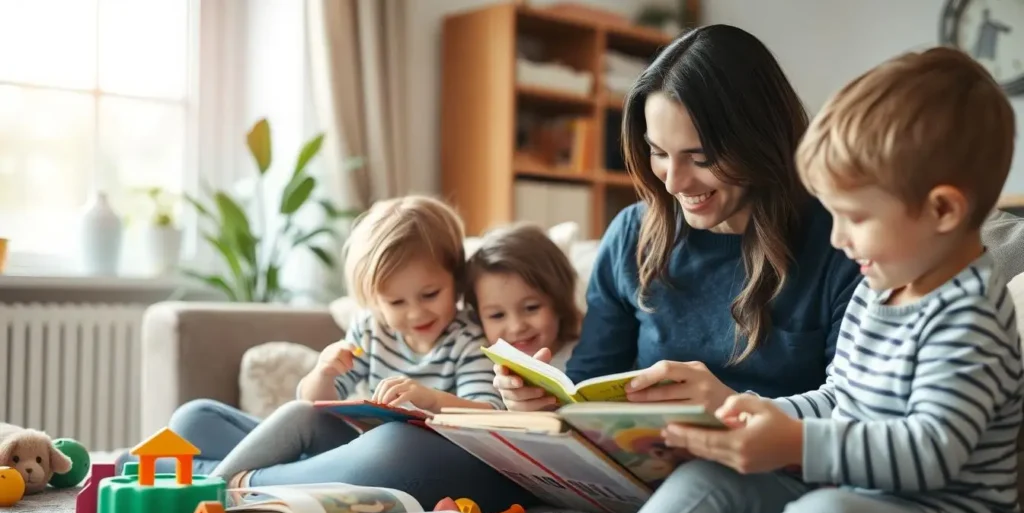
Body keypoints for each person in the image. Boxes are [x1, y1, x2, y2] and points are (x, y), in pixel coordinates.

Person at [503, 45, 1021, 513]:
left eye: (856, 218)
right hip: (849, 495)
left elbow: (929, 453)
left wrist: (795, 444)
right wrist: (750, 414)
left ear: (943, 210)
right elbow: (837, 398)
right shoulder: (881, 288)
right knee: (713, 473)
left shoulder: (971, 316)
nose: (840, 238)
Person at [496, 23, 864, 414]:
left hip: (767, 465)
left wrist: (730, 406)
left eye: (700, 158)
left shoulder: (842, 241)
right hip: (640, 464)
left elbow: (851, 416)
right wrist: (541, 403)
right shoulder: (631, 234)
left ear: (760, 141)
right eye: (658, 152)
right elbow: (588, 387)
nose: (674, 182)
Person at [203, 194, 506, 487]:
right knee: (198, 417)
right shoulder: (372, 329)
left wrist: (432, 400)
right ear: (374, 300)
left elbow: (489, 416)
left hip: (413, 461)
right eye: (396, 302)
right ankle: (261, 476)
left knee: (393, 441)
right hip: (359, 453)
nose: (415, 313)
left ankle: (221, 485)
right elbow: (311, 407)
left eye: (430, 294)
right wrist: (324, 373)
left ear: (456, 278)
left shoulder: (467, 338)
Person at [464, 223, 582, 371]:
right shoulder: (478, 365)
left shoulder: (589, 354)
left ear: (559, 299)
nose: (517, 327)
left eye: (531, 307)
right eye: (497, 315)